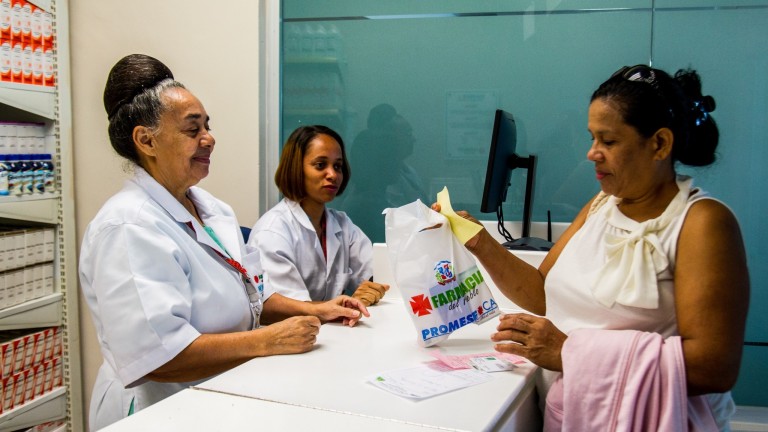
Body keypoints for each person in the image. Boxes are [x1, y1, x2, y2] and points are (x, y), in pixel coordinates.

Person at [434, 65, 749, 430]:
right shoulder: (602, 204)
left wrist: (568, 351)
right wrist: (478, 240)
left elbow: (714, 367)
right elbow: (542, 292)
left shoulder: (702, 223)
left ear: (659, 144)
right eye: (592, 138)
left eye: (609, 141)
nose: (592, 153)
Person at [79, 54, 369, 430]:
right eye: (191, 129)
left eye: (207, 126)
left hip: (219, 395)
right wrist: (267, 341)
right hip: (157, 410)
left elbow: (253, 296)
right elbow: (157, 357)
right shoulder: (127, 226)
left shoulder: (213, 210)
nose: (209, 138)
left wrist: (318, 309)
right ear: (146, 140)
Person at [248, 125, 389, 305]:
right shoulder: (273, 231)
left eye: (337, 166)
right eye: (320, 165)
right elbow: (284, 307)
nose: (333, 175)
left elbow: (379, 276)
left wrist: (427, 233)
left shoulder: (342, 224)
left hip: (331, 329)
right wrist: (342, 306)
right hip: (289, 331)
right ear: (296, 168)